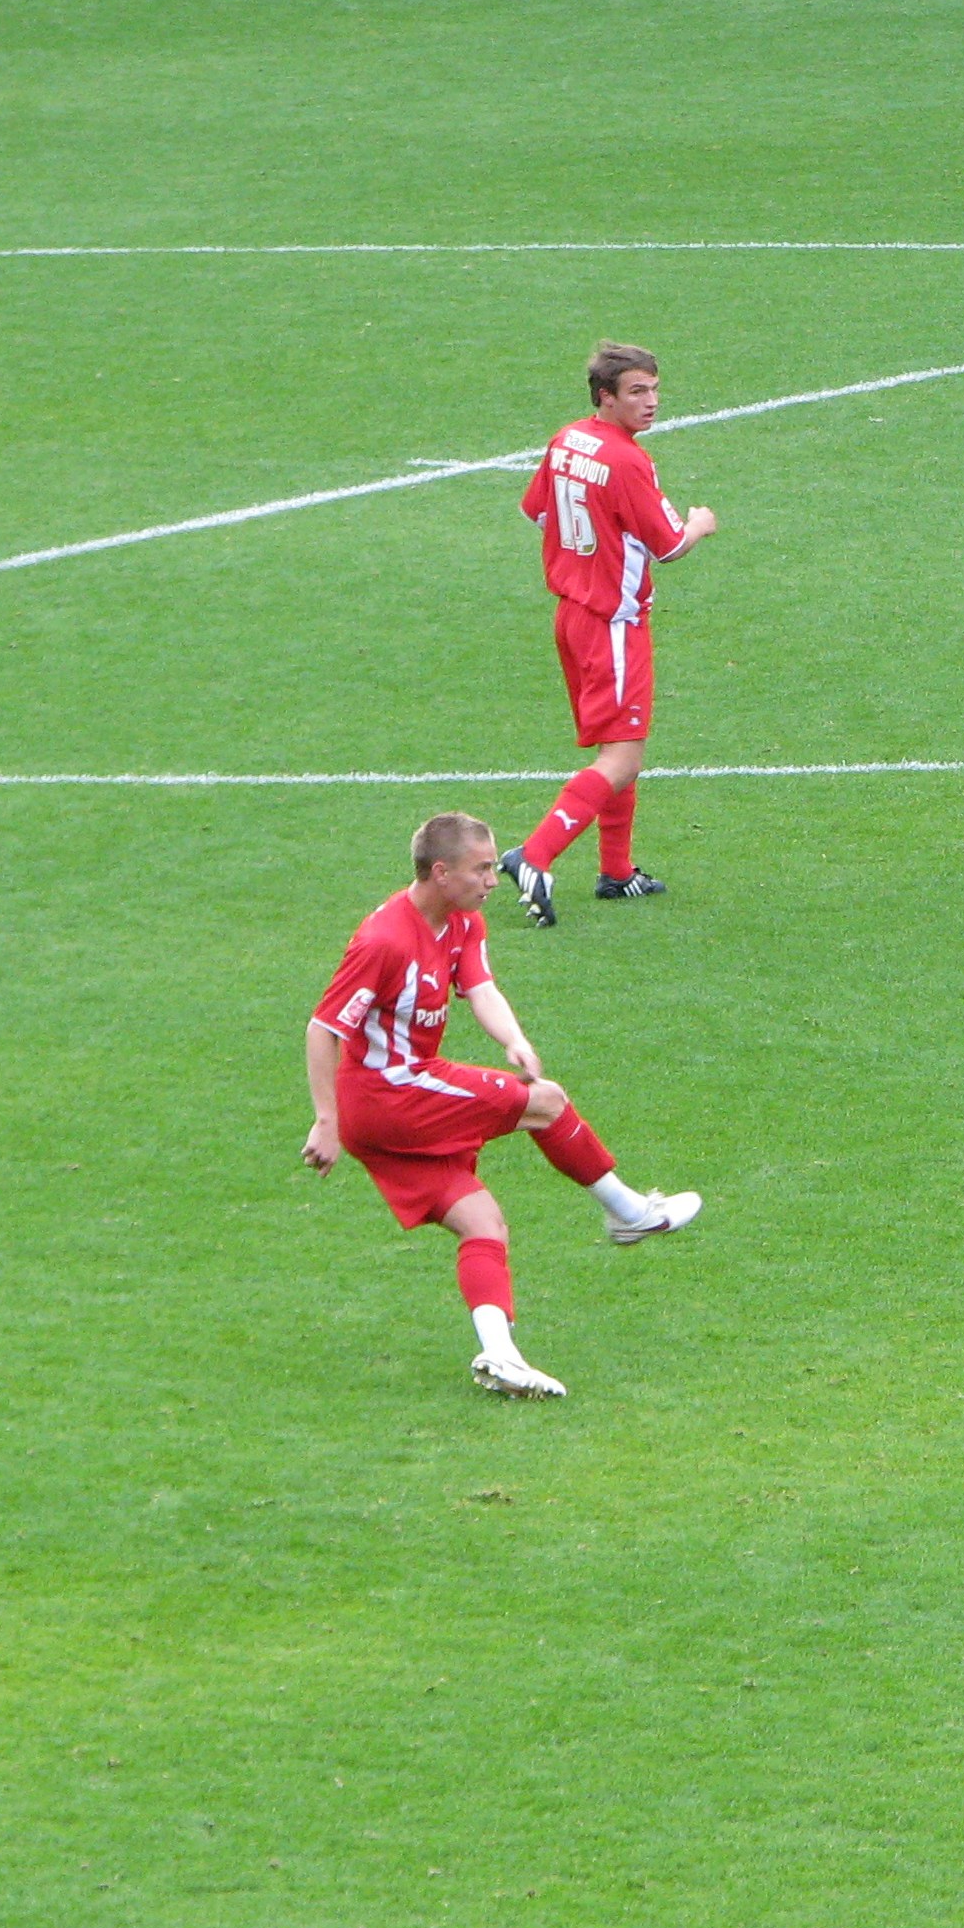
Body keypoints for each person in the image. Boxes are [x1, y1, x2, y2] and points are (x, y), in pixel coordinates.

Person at [303, 811, 701, 1398]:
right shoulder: (383, 939)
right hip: (388, 1095)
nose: (494, 879)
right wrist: (326, 1120)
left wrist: (512, 1039)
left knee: (482, 1223)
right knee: (544, 1102)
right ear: (441, 873)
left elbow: (480, 988)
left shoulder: (463, 922)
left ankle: (500, 1355)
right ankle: (627, 1211)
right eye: (482, 868)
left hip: (403, 1097)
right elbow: (322, 1027)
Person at [498, 341, 718, 927]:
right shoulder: (627, 461)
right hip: (612, 623)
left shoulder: (567, 439)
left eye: (653, 389)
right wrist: (699, 524)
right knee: (622, 755)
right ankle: (535, 855)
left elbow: (537, 512)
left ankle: (616, 873)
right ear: (606, 397)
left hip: (570, 614)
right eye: (636, 393)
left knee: (617, 748)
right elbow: (670, 545)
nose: (651, 403)